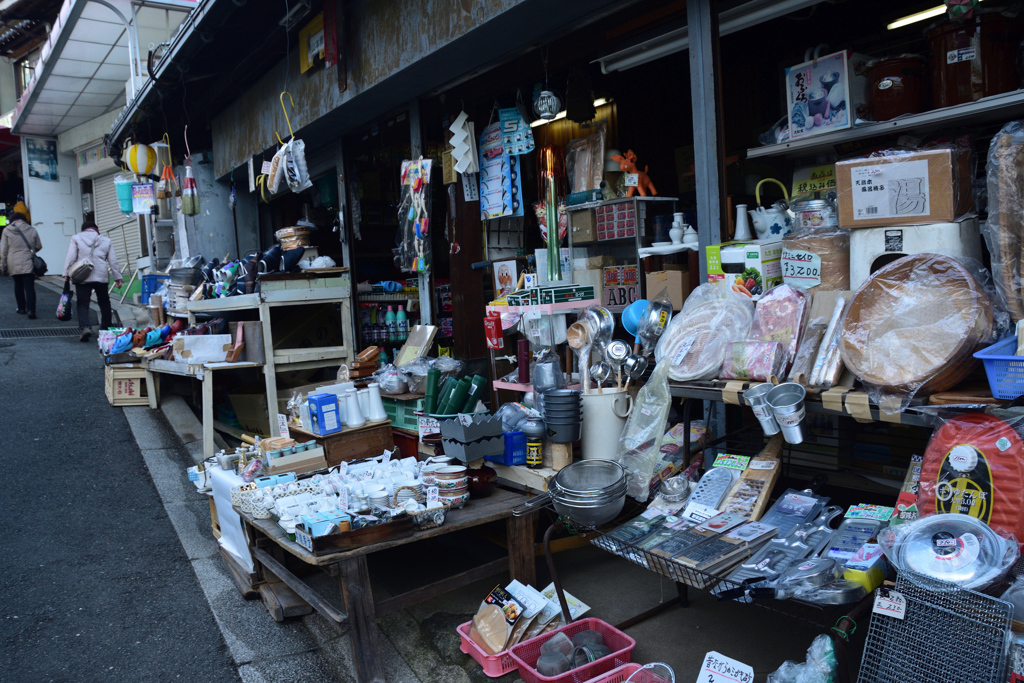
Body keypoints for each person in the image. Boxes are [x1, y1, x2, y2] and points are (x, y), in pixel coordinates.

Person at [63, 222, 121, 341]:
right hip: (101, 275)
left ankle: (85, 327)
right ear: (96, 230)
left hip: (82, 275)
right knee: (104, 302)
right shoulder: (106, 240)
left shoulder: (76, 238)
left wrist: (66, 273)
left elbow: (71, 257)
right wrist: (117, 277)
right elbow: (113, 261)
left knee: (83, 303)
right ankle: (105, 329)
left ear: (83, 229)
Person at [0, 212, 42, 318]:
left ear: (13, 220)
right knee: (30, 287)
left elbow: (3, 250)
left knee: (18, 285)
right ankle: (31, 311)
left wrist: (3, 265)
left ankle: (21, 308)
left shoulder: (7, 230)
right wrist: (30, 251)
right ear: (24, 220)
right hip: (28, 260)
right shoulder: (32, 229)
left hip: (12, 261)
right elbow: (38, 246)